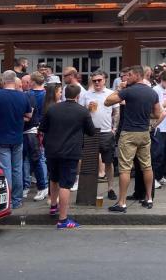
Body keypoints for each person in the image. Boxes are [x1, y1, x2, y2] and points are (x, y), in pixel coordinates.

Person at [104, 66, 162, 212]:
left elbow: (107, 101)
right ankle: (149, 199)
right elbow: (157, 114)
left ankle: (122, 202)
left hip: (129, 133)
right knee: (147, 166)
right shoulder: (152, 92)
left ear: (137, 75)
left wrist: (120, 88)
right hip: (144, 133)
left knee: (125, 168)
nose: (126, 78)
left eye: (129, 75)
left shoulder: (128, 90)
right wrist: (143, 113)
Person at [40, 82, 96, 229]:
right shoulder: (82, 111)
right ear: (78, 96)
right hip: (70, 151)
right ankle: (63, 219)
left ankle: (53, 206)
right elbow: (91, 131)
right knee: (66, 184)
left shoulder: (52, 109)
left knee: (53, 178)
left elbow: (43, 128)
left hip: (52, 150)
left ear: (65, 94)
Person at [0, 70, 33, 209]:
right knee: (17, 169)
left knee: (5, 168)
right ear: (15, 81)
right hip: (17, 136)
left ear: (3, 81)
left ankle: (7, 199)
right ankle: (17, 200)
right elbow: (29, 115)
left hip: (1, 136)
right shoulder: (22, 96)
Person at [81, 71, 117, 199]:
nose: (97, 82)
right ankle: (88, 191)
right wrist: (87, 110)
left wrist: (115, 128)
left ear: (105, 80)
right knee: (89, 162)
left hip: (106, 132)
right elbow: (81, 113)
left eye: (99, 80)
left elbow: (116, 111)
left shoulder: (111, 93)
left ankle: (111, 188)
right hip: (91, 132)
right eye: (94, 80)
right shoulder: (86, 94)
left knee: (108, 161)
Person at [24, 72, 49, 202]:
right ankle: (43, 184)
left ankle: (38, 186)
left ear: (32, 81)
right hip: (45, 128)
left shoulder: (29, 94)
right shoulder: (47, 94)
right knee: (41, 157)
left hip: (32, 129)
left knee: (33, 158)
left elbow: (28, 114)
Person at [151, 70, 166, 188]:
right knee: (157, 153)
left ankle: (160, 176)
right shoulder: (156, 90)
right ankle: (154, 178)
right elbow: (155, 107)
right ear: (162, 79)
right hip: (159, 126)